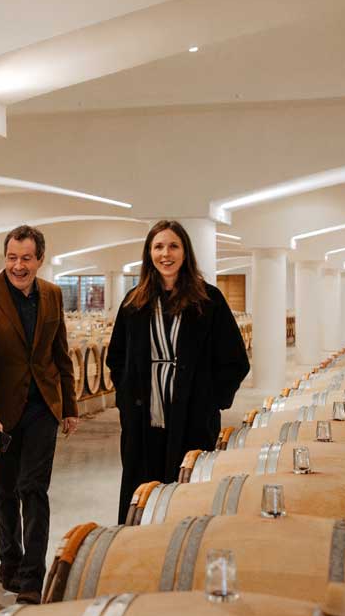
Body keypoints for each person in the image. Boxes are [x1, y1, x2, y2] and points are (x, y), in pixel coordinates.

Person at [105, 219, 250, 522]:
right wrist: (126, 398)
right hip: (143, 421)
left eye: (173, 246)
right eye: (158, 247)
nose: (165, 254)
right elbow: (116, 357)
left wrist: (211, 399)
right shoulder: (133, 302)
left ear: (185, 252)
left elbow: (236, 360)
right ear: (149, 253)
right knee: (142, 494)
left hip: (193, 419)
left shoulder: (208, 301)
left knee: (188, 497)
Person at [0, 225, 80, 604]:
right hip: (1, 412)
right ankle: (9, 563)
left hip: (42, 408)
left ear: (39, 260)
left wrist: (70, 406)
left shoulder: (52, 294)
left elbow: (60, 353)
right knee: (4, 491)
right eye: (12, 257)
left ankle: (32, 577)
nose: (18, 265)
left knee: (34, 490)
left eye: (26, 258)